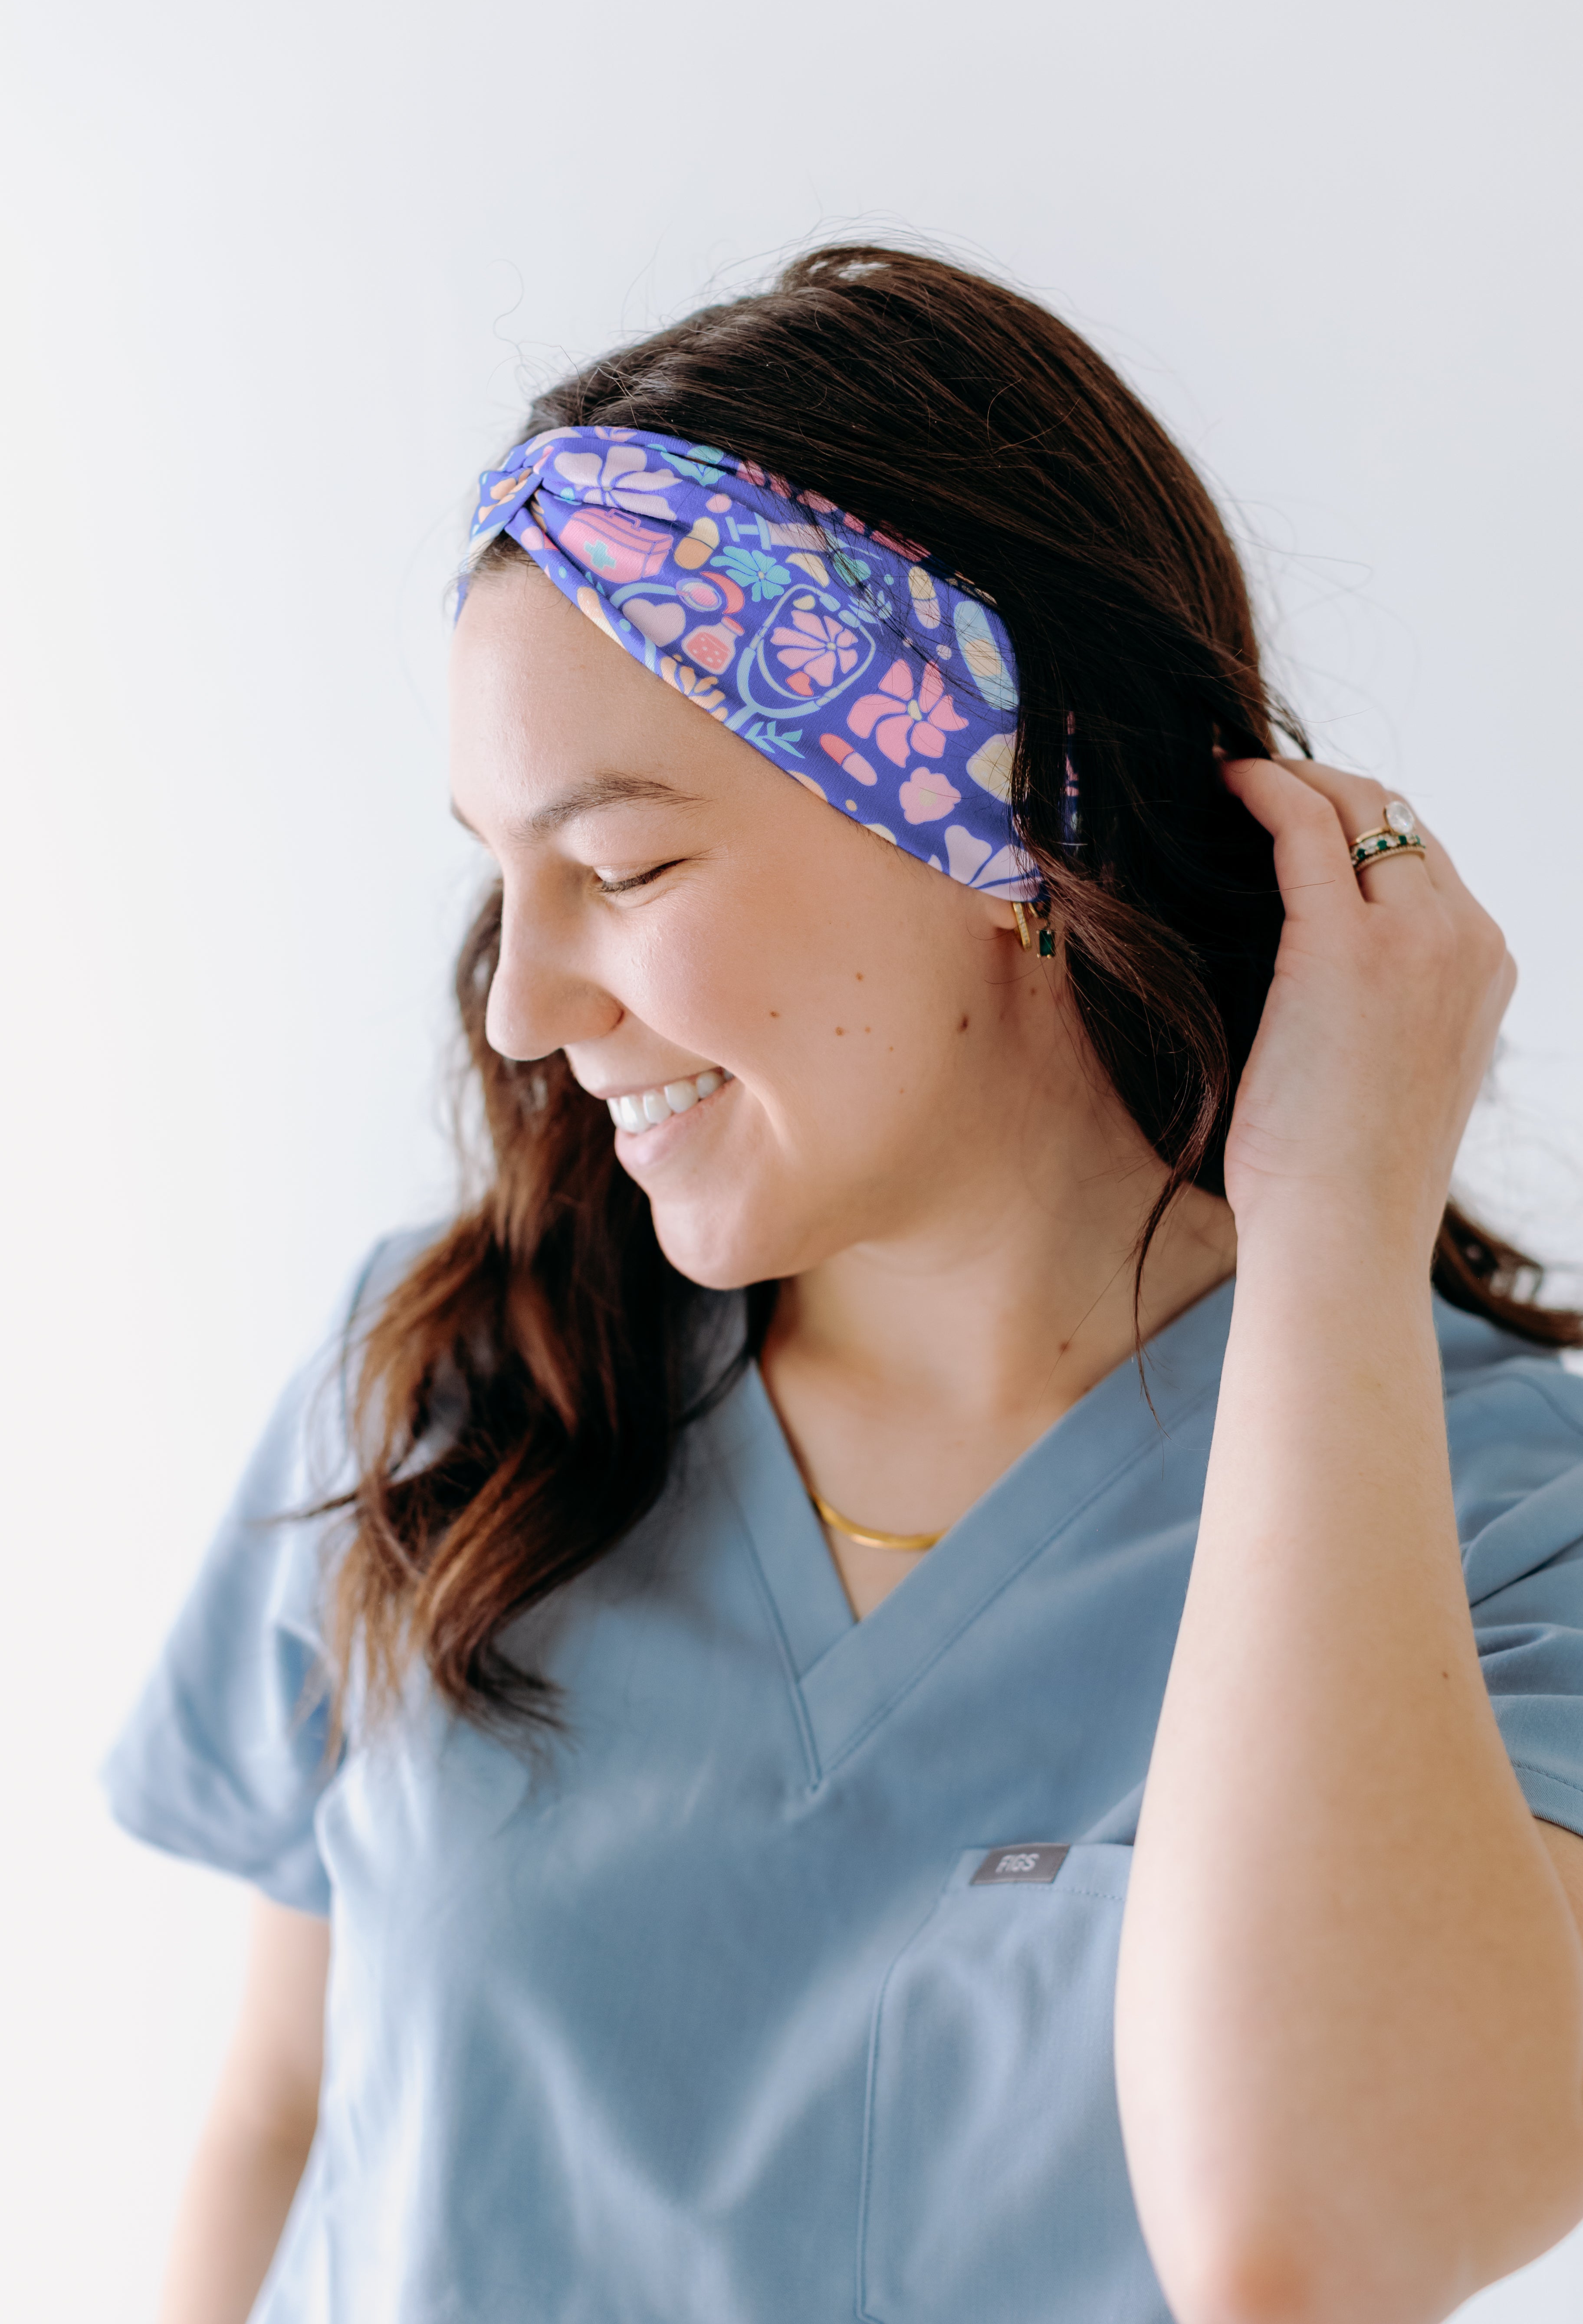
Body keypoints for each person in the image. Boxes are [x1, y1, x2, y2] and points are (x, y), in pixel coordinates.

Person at [105, 245, 1583, 2324]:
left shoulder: (1524, 1518)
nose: (522, 1003)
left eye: (622, 869)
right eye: (499, 874)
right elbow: (278, 2103)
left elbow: (1314, 2237)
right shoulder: (450, 1380)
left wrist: (1337, 1210)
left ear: (1013, 819)